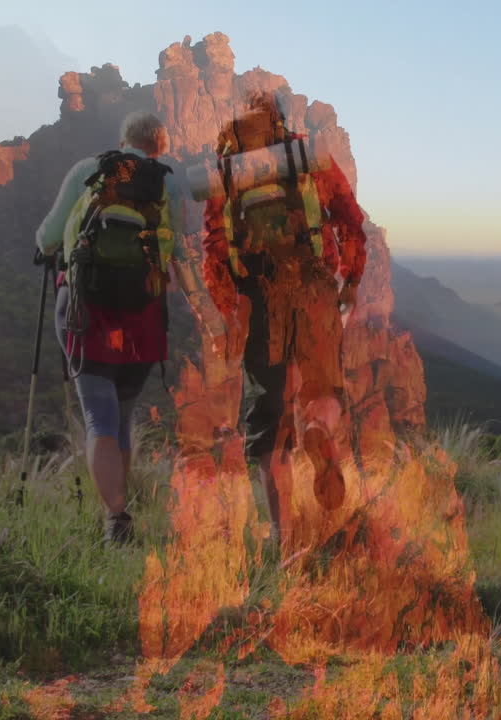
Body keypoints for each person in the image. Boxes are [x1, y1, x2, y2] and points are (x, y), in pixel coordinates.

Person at [200, 93, 367, 545]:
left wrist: (229, 312)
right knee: (321, 389)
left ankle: (282, 533)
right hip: (315, 292)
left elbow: (214, 250)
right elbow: (351, 220)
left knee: (269, 416)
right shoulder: (307, 157)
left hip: (259, 299)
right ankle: (318, 427)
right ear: (280, 119)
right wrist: (350, 278)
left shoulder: (228, 170)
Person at [35, 111, 200, 544]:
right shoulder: (166, 182)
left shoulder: (88, 171)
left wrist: (48, 244)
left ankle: (116, 517)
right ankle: (119, 511)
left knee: (99, 416)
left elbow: (49, 236)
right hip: (142, 314)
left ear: (124, 139)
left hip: (85, 309)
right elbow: (179, 248)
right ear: (159, 146)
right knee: (123, 416)